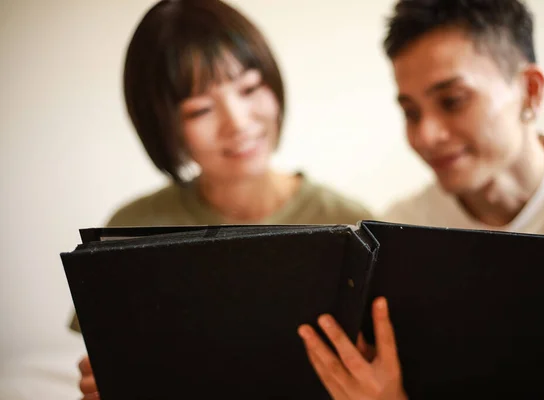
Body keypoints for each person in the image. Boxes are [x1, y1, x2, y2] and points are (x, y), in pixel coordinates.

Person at [300, 0, 544, 399]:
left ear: (530, 90)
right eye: (410, 112)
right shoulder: (399, 236)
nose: (427, 136)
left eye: (453, 100)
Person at [73, 0, 372, 398]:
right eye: (200, 110)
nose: (238, 122)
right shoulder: (131, 232)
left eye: (249, 88)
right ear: (163, 126)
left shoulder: (351, 224)